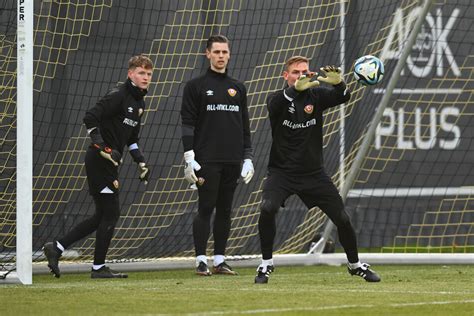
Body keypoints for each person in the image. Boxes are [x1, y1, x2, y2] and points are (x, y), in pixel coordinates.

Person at [254, 56, 381, 283]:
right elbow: (276, 105)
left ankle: (355, 265)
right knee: (267, 208)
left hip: (313, 174)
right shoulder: (277, 99)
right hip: (282, 173)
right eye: (295, 72)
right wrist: (294, 90)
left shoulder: (316, 96)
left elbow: (343, 97)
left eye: (304, 71)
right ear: (286, 76)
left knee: (342, 218)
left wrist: (338, 83)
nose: (301, 75)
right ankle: (265, 265)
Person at [43, 55, 153, 279]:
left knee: (101, 216)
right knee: (111, 213)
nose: (146, 77)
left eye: (149, 74)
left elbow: (131, 138)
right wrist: (101, 145)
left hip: (110, 164)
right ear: (130, 73)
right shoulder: (118, 95)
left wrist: (140, 161)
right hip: (98, 160)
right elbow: (90, 117)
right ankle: (98, 268)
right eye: (141, 73)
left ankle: (57, 247)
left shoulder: (139, 103)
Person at [181, 35, 254, 276]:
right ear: (208, 54)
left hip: (232, 160)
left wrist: (248, 157)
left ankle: (220, 260)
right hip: (207, 159)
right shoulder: (195, 86)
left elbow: (245, 126)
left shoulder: (238, 88)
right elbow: (188, 124)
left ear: (229, 55)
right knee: (206, 207)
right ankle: (201, 260)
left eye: (225, 52)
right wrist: (189, 157)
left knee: (225, 209)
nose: (221, 56)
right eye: (217, 52)